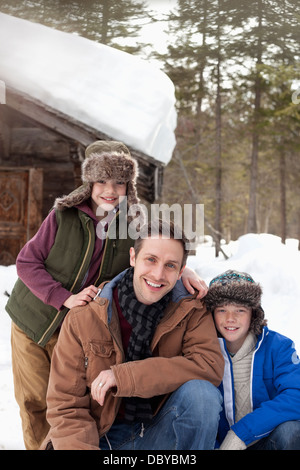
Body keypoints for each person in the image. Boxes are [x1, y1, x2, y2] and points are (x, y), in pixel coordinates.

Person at [5, 140, 207, 450]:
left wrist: (185, 272)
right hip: (34, 320)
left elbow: (158, 251)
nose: (110, 190)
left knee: (65, 401)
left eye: (119, 182)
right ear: (90, 181)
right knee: (34, 403)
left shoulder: (134, 224)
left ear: (129, 186)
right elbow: (26, 262)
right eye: (102, 180)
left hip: (76, 328)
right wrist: (63, 297)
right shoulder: (64, 215)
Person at [41, 219, 224, 450]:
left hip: (161, 432)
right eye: (151, 260)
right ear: (132, 257)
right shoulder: (85, 317)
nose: (158, 274)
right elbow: (66, 405)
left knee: (202, 395)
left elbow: (209, 366)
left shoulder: (192, 310)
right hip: (102, 438)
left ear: (181, 271)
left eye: (170, 265)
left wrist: (124, 377)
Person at [204, 269, 300, 450]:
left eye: (240, 310)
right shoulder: (203, 350)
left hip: (267, 442)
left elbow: (296, 394)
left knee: (292, 430)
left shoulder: (278, 346)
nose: (230, 319)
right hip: (220, 446)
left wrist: (240, 433)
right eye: (222, 310)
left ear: (253, 313)